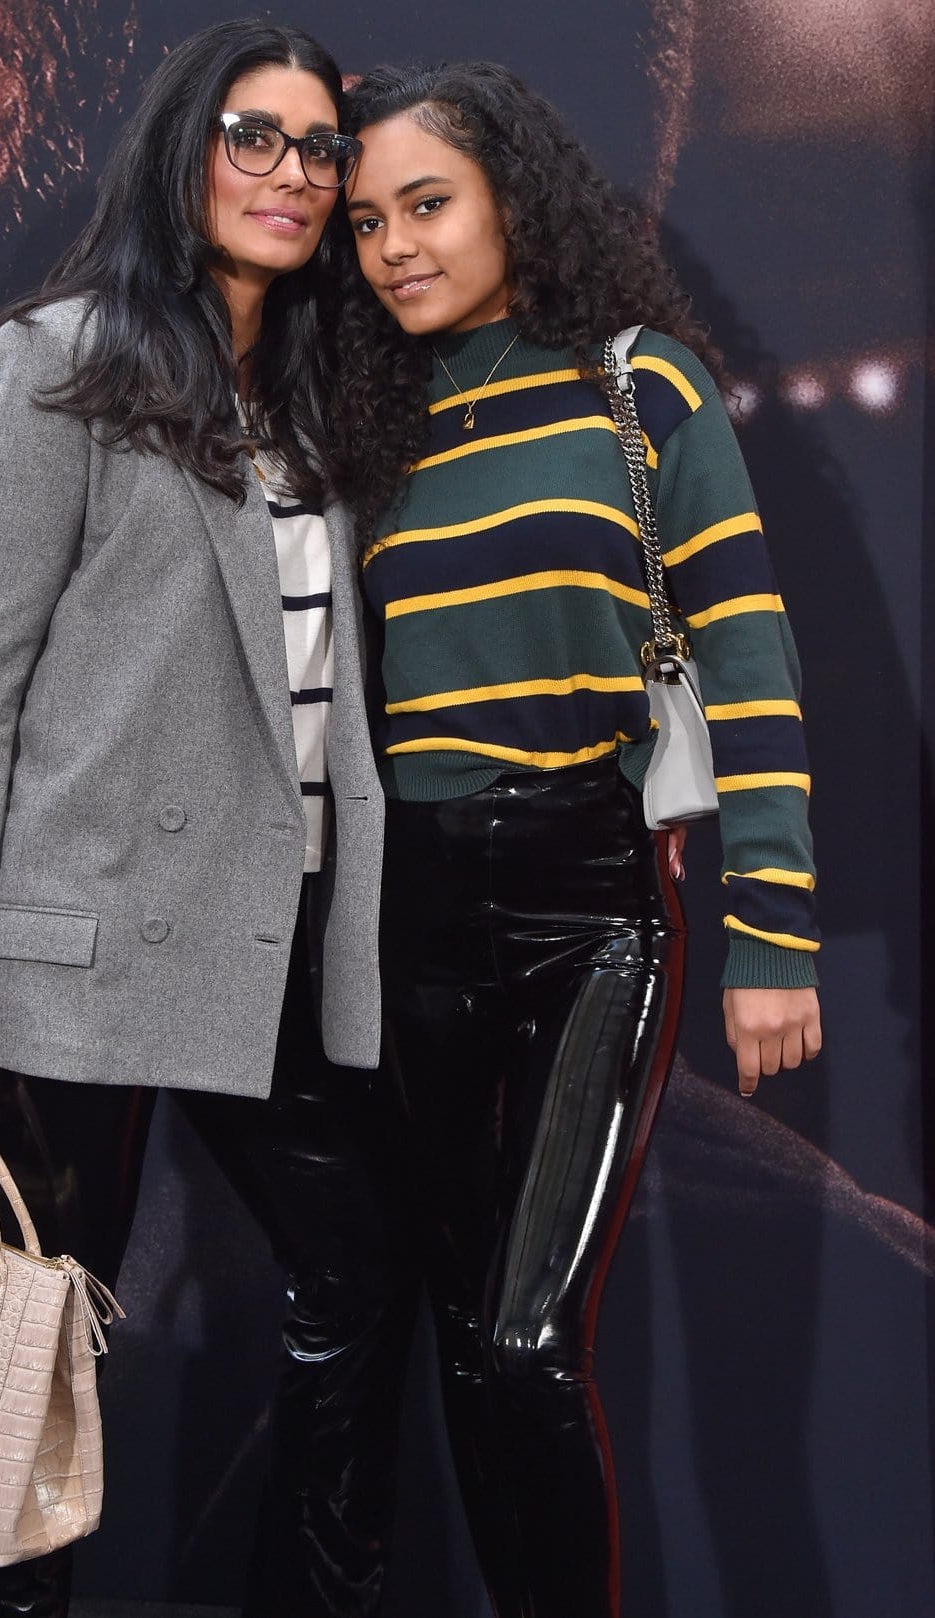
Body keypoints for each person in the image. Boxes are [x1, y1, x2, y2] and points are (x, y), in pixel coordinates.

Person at [0, 23, 416, 1618]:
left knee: (365, 1276)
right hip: (78, 954)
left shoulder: (322, 394)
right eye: (256, 137)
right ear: (184, 151)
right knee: (23, 1356)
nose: (295, 176)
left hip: (286, 938)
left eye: (322, 149)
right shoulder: (56, 362)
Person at [328, 62, 823, 1617]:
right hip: (410, 913)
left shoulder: (640, 384)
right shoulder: (369, 421)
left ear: (511, 200)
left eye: (428, 204)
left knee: (531, 1333)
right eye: (364, 223)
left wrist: (775, 941)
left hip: (592, 910)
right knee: (465, 1328)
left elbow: (749, 671)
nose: (395, 246)